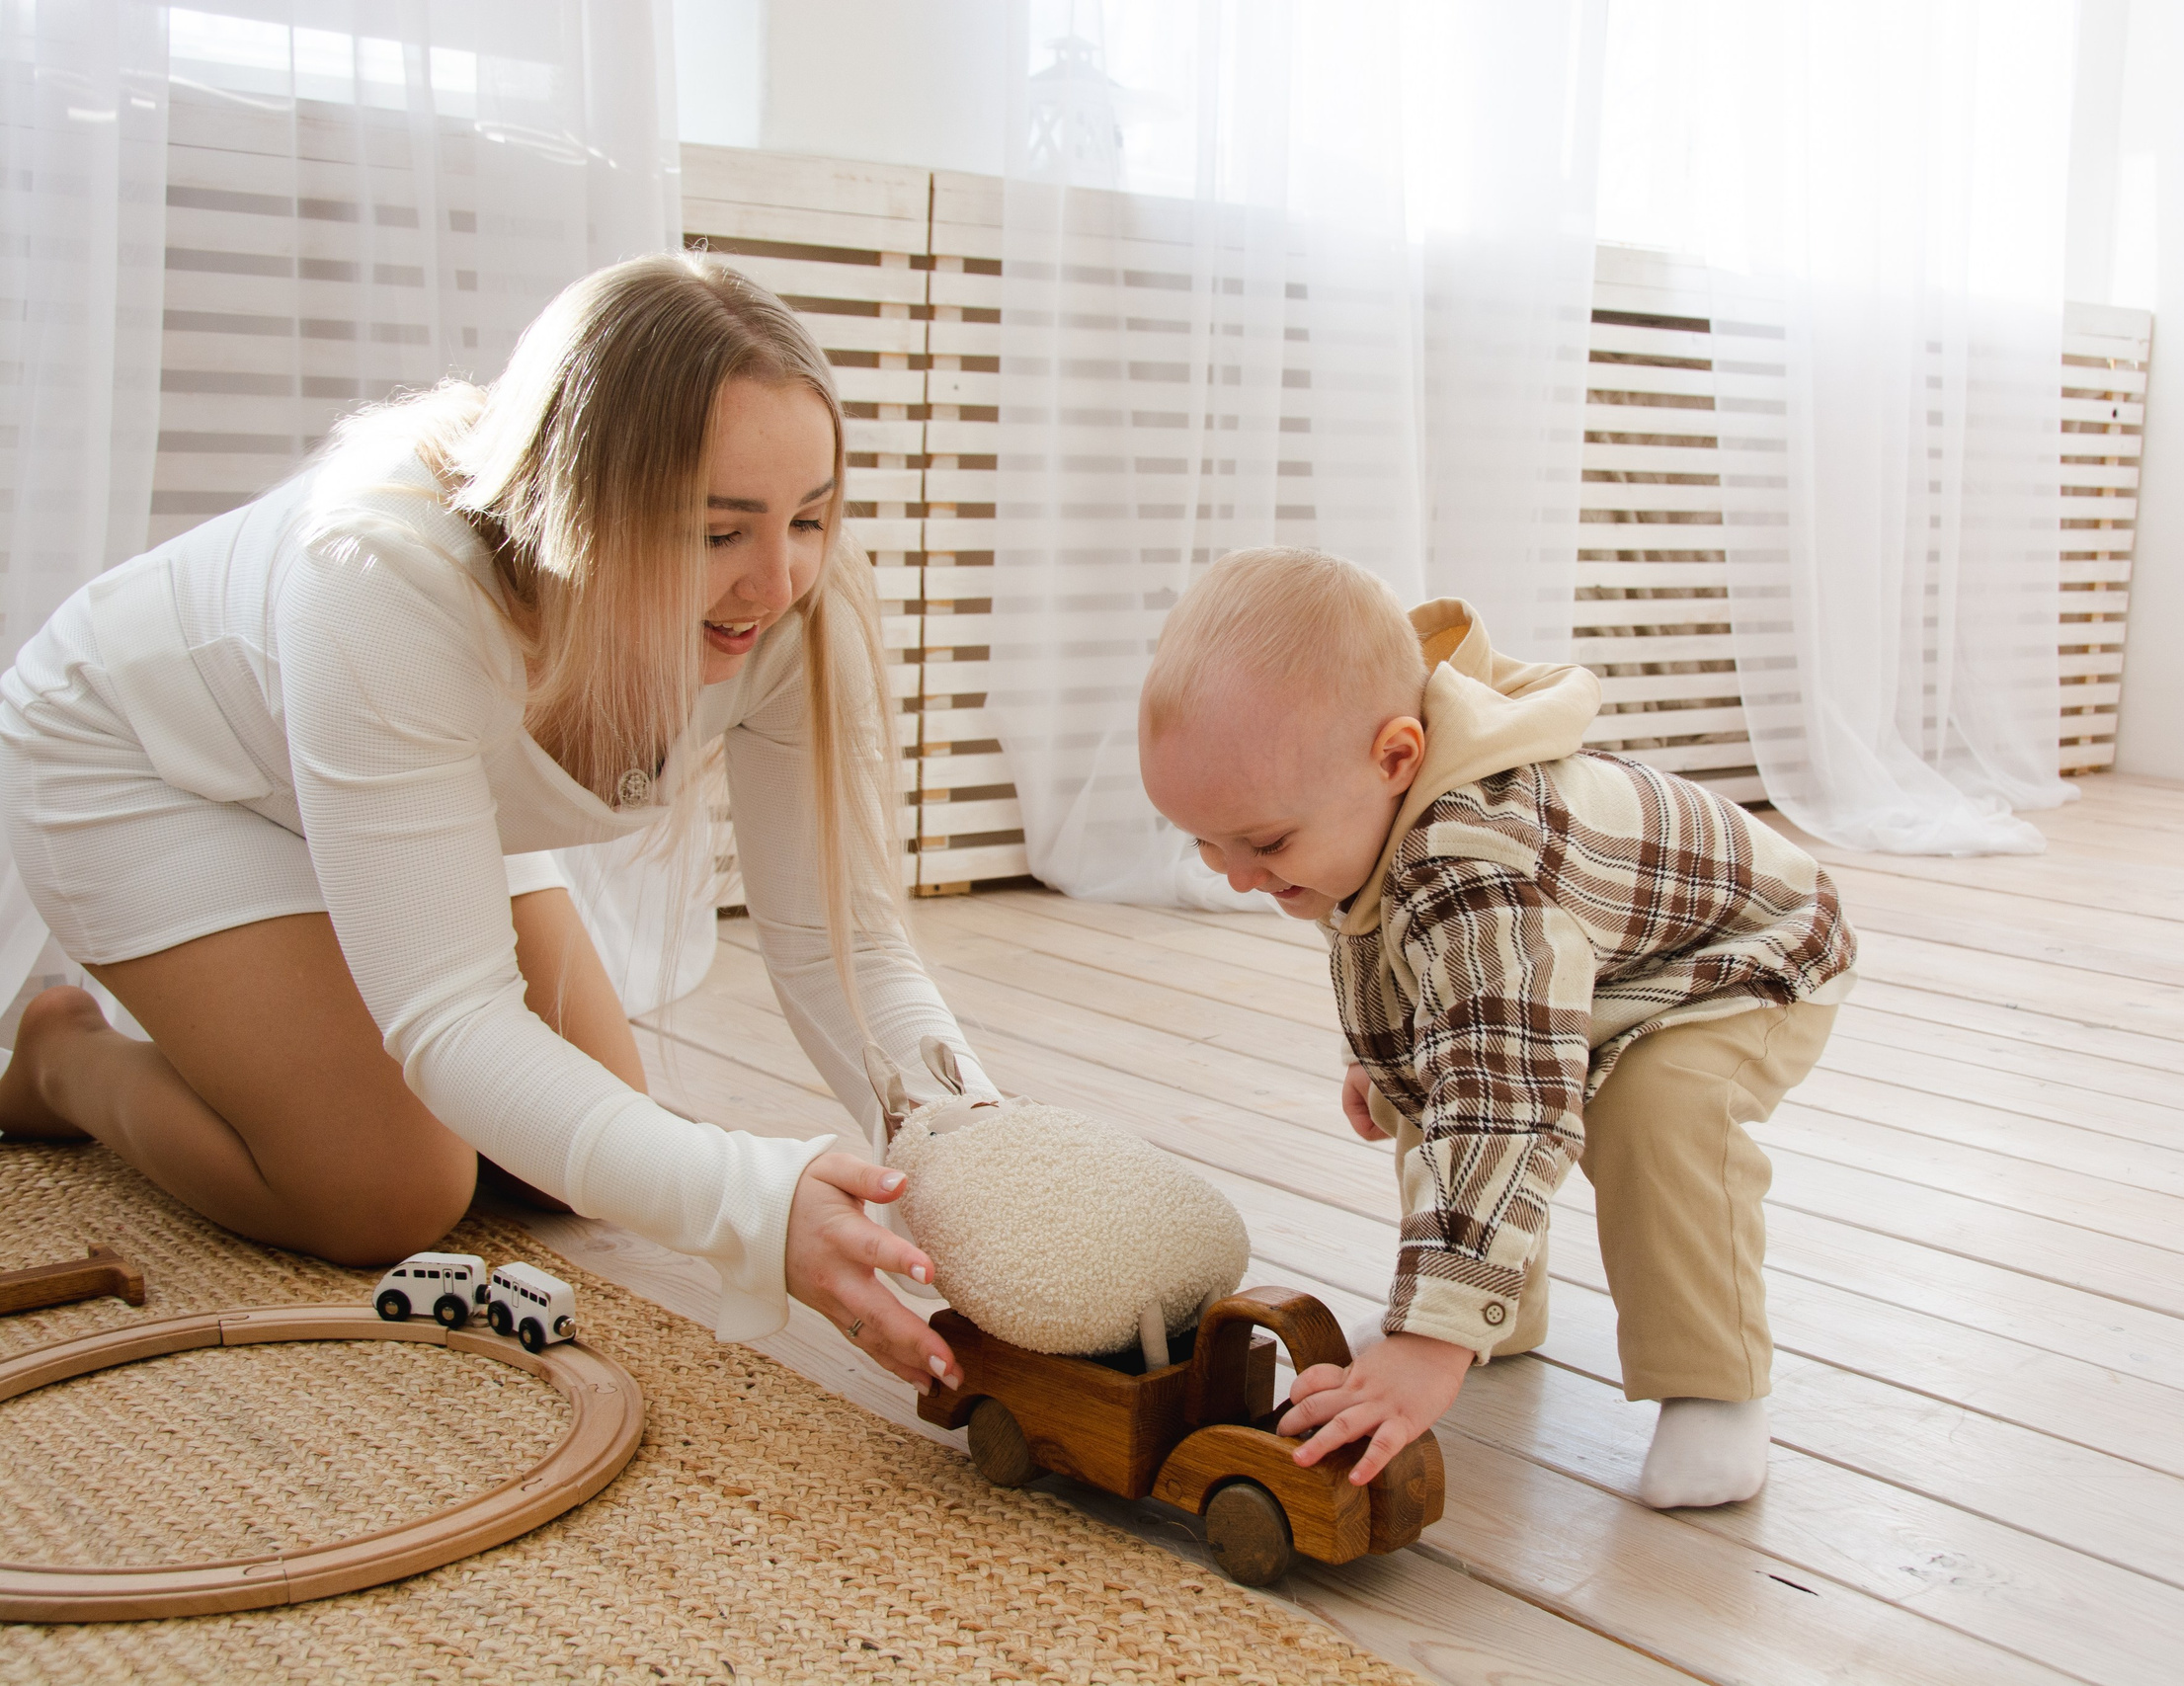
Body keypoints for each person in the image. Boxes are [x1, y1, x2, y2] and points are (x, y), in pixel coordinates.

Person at [0, 255, 976, 1394]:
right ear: (584, 511)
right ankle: (65, 1058)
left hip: (400, 780)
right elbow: (452, 1017)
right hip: (154, 768)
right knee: (389, 1190)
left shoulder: (794, 607)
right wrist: (754, 1205)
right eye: (719, 533)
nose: (778, 578)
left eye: (809, 517)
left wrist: (972, 1154)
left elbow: (842, 943)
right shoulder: (381, 580)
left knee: (570, 1158)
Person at [1138, 548, 1856, 1507]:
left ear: (1395, 757)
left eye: (1264, 844)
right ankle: (1496, 1313)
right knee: (1435, 1073)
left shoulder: (1474, 857)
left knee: (1655, 1112)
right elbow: (1407, 959)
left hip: (1740, 958)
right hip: (1598, 954)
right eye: (1207, 844)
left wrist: (1424, 1343)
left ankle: (1712, 1386)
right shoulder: (1363, 808)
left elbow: (1503, 1096)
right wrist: (1379, 1050)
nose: (1236, 875)